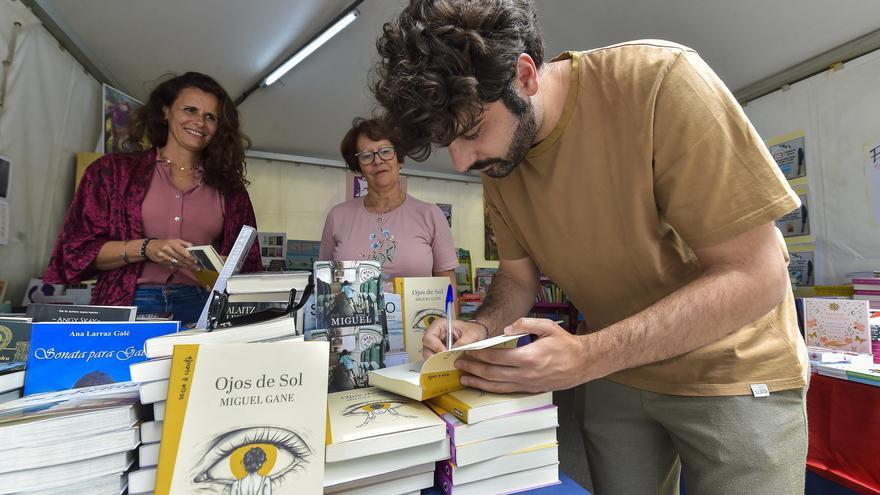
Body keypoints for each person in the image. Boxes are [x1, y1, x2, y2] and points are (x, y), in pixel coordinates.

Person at [372, 1, 809, 494]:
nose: (462, 161)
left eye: (472, 132)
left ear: (524, 75)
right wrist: (481, 325)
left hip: (731, 369)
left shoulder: (661, 81)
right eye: (446, 141)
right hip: (615, 370)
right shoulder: (498, 159)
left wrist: (587, 356)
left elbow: (759, 274)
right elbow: (518, 276)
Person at [45, 72, 262, 325]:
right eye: (190, 110)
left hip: (201, 306)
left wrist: (226, 266)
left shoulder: (231, 190)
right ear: (166, 110)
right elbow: (76, 250)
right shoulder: (112, 171)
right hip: (128, 304)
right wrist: (147, 248)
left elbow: (250, 266)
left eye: (210, 117)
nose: (199, 122)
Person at [319, 117, 458, 289]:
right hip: (353, 315)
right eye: (367, 156)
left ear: (399, 160)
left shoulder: (431, 215)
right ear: (358, 167)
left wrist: (453, 316)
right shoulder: (337, 216)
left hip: (418, 316)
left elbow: (447, 283)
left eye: (385, 151)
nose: (377, 161)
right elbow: (325, 284)